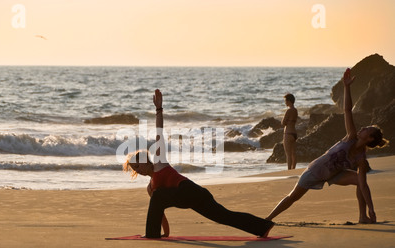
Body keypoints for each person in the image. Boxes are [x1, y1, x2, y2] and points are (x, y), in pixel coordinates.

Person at [123, 89, 275, 238]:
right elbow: (158, 213)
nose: (138, 170)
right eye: (134, 169)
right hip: (183, 199)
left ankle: (262, 227)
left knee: (224, 216)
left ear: (144, 160)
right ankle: (153, 233)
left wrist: (159, 109)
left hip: (192, 192)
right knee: (157, 196)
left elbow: (159, 132)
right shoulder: (150, 187)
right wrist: (166, 233)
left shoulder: (159, 162)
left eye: (137, 166)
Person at [265, 69, 388, 224]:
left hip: (335, 174)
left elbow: (364, 186)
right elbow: (347, 110)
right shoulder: (351, 137)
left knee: (359, 181)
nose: (362, 128)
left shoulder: (361, 159)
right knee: (293, 197)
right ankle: (267, 219)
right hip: (316, 169)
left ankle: (363, 216)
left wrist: (372, 208)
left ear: (369, 138)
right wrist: (346, 86)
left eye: (366, 129)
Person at [282, 93, 298, 170]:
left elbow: (283, 122)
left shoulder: (288, 111)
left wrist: (286, 121)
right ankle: (293, 169)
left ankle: (289, 170)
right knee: (293, 154)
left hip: (288, 133)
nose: (285, 102)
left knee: (288, 154)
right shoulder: (295, 110)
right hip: (294, 133)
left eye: (285, 101)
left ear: (289, 101)